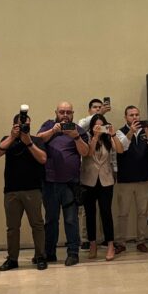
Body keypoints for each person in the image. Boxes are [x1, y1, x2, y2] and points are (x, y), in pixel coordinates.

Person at [36, 102, 91, 266]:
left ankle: (73, 253)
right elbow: (37, 140)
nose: (65, 115)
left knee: (71, 220)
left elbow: (85, 152)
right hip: (50, 183)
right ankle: (49, 252)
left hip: (70, 184)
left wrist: (76, 137)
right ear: (56, 113)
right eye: (62, 112)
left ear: (73, 114)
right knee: (51, 219)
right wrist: (53, 131)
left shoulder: (78, 130)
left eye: (68, 112)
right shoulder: (48, 125)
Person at [0, 110, 47, 271]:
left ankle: (40, 256)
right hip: (11, 190)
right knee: (12, 227)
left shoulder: (36, 140)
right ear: (14, 125)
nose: (25, 127)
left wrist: (28, 142)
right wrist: (12, 137)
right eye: (21, 124)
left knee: (37, 225)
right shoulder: (7, 139)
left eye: (27, 124)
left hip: (33, 189)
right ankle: (12, 259)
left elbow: (43, 159)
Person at [115, 105, 148, 255]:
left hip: (143, 178)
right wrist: (131, 132)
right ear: (125, 117)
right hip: (125, 179)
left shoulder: (146, 131)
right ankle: (121, 243)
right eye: (131, 115)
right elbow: (121, 148)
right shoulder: (120, 132)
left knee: (142, 212)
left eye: (137, 114)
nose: (135, 117)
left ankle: (141, 241)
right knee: (123, 213)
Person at [81, 114, 124, 260]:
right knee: (90, 214)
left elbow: (120, 150)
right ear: (92, 126)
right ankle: (92, 244)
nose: (99, 128)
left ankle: (110, 245)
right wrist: (95, 136)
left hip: (106, 180)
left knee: (106, 213)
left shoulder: (108, 138)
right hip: (88, 180)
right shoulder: (86, 137)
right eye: (96, 126)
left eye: (102, 125)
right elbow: (88, 153)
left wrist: (113, 134)